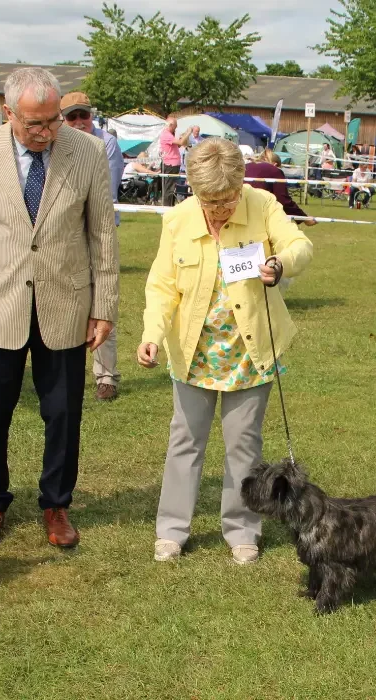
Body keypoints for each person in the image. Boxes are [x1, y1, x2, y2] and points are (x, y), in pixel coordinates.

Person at [0, 67, 119, 549]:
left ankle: (56, 504)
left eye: (53, 120)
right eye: (34, 124)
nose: (46, 132)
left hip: (65, 303)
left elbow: (103, 235)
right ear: (7, 113)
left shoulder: (88, 151)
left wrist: (104, 305)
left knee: (62, 413)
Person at [137, 138, 314, 565]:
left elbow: (300, 245)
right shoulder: (177, 220)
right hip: (193, 352)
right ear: (194, 190)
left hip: (249, 351)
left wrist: (280, 264)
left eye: (228, 198)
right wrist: (152, 335)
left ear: (241, 183)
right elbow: (162, 286)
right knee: (185, 442)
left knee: (244, 447)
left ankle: (242, 531)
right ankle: (171, 531)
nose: (220, 208)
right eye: (210, 201)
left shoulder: (263, 204)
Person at [62, 91, 127, 401]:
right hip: (63, 234)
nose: (79, 122)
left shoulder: (107, 144)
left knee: (103, 301)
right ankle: (63, 373)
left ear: (92, 116)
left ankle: (106, 376)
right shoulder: (54, 143)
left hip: (97, 231)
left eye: (83, 115)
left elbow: (105, 192)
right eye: (71, 117)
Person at [158, 115, 195, 206]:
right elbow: (180, 142)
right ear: (170, 125)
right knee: (168, 188)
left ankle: (170, 206)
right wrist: (188, 132)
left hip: (173, 164)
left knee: (172, 188)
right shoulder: (166, 134)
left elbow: (178, 145)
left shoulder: (170, 135)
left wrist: (185, 135)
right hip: (170, 165)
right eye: (175, 126)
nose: (176, 128)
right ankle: (166, 207)